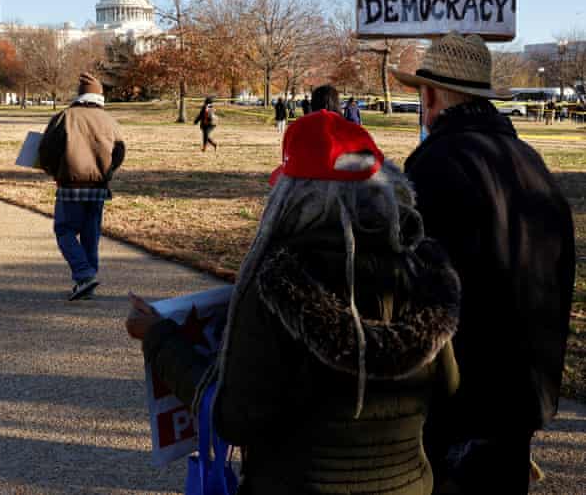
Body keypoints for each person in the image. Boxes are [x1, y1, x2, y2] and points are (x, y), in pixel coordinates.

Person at [127, 110, 461, 494]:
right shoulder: (423, 270)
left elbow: (235, 418)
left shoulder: (277, 282)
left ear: (293, 196)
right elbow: (449, 388)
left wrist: (159, 339)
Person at [392, 32, 575, 494]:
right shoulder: (530, 162)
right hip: (523, 400)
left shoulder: (435, 165)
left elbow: (414, 290)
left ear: (430, 96)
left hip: (461, 411)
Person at [39, 72, 125, 301]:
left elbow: (46, 151)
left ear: (80, 95)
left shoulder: (65, 117)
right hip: (98, 186)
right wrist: (107, 173)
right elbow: (119, 152)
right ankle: (88, 278)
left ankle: (84, 274)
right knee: (90, 233)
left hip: (69, 184)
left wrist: (54, 172)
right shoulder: (110, 121)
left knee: (64, 230)